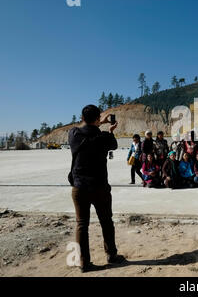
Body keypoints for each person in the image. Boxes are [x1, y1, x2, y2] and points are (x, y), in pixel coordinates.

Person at [68, 105, 124, 273]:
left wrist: (97, 122)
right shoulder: (104, 137)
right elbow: (113, 145)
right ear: (98, 119)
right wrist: (109, 128)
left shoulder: (73, 134)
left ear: (82, 117)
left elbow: (84, 129)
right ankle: (111, 255)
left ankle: (84, 262)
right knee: (106, 222)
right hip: (99, 187)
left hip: (79, 186)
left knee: (81, 224)